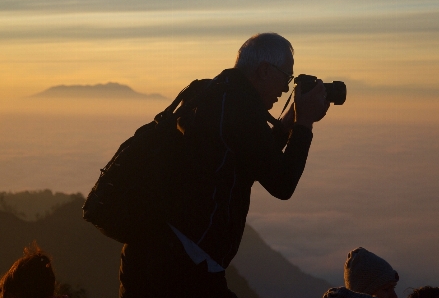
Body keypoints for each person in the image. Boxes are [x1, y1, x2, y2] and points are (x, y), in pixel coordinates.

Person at [119, 33, 330, 298]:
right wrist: (305, 124)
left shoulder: (212, 93)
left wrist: (289, 120)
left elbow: (250, 159)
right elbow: (282, 183)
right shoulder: (239, 110)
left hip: (150, 252)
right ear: (265, 70)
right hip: (184, 267)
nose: (286, 89)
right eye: (286, 78)